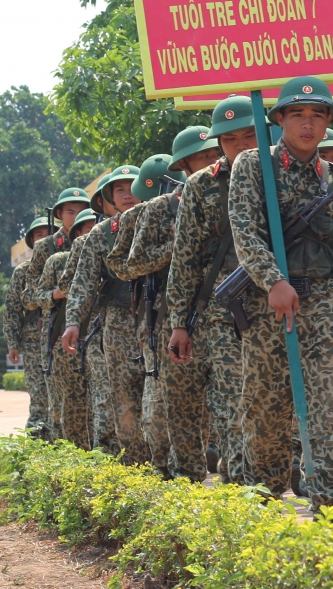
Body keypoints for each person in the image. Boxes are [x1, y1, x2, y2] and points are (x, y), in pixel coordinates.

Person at [228, 77, 333, 513]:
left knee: (328, 408)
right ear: (280, 119)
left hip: (325, 301)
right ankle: (264, 499)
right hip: (269, 306)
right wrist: (273, 280)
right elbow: (245, 231)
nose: (308, 123)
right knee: (266, 412)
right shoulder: (253, 166)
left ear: (328, 123)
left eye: (318, 115)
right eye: (298, 114)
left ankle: (330, 506)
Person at [168, 101, 260, 485]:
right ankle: (242, 481)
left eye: (249, 135)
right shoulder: (200, 184)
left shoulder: (283, 175)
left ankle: (270, 472)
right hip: (225, 310)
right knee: (232, 400)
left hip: (282, 304)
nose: (240, 145)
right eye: (230, 139)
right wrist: (179, 323)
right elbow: (185, 258)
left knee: (272, 397)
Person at [124, 126, 219, 481]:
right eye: (202, 156)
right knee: (181, 402)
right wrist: (177, 246)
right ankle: (184, 471)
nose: (211, 160)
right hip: (175, 315)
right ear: (184, 164)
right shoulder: (160, 209)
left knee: (229, 396)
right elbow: (134, 263)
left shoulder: (236, 194)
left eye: (214, 153)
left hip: (228, 310)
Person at [107, 154, 186, 477]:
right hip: (148, 315)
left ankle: (182, 459)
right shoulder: (132, 220)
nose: (127, 194)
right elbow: (123, 264)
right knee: (139, 394)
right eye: (119, 189)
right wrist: (174, 248)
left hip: (193, 311)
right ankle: (147, 463)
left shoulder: (197, 203)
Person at [63, 166, 147, 464]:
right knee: (123, 399)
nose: (128, 194)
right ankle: (135, 465)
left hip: (159, 318)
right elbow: (82, 283)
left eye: (133, 186)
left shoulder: (161, 219)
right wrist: (73, 321)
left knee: (161, 397)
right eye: (120, 189)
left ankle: (166, 464)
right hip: (119, 322)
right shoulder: (100, 235)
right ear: (108, 198)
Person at [36, 209, 94, 448]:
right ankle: (71, 453)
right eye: (87, 230)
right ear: (76, 235)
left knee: (98, 401)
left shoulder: (111, 255)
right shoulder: (57, 261)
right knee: (68, 403)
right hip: (65, 342)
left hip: (98, 337)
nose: (93, 235)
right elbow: (35, 296)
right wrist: (55, 295)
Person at [3, 217, 50, 437]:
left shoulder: (67, 262)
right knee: (39, 395)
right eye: (39, 234)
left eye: (48, 233)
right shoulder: (23, 272)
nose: (44, 238)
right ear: (31, 240)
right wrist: (13, 344)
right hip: (34, 342)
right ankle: (37, 444)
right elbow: (13, 309)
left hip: (64, 340)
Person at [21, 188, 90, 313]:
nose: (76, 217)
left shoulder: (95, 242)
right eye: (70, 212)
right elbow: (31, 292)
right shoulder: (45, 246)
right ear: (59, 214)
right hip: (56, 320)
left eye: (81, 212)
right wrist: (54, 294)